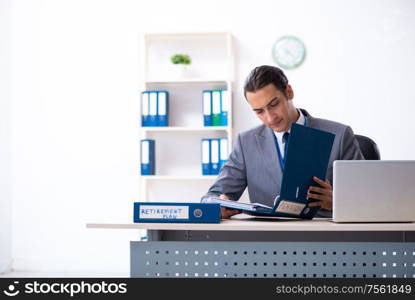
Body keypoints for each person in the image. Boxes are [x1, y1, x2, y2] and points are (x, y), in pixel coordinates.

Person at [201, 65, 364, 219]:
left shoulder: (340, 135)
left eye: (274, 104)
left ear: (289, 92)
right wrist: (218, 205)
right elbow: (210, 197)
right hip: (270, 242)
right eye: (259, 111)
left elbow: (368, 200)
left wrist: (337, 202)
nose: (270, 117)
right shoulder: (246, 143)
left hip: (326, 241)